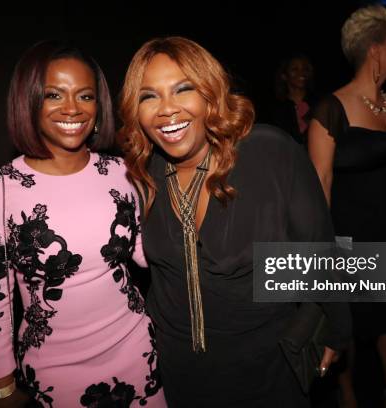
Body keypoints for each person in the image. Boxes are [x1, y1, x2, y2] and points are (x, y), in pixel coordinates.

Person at [118, 36, 351, 408]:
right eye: (149, 96)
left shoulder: (267, 151)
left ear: (210, 92)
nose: (166, 109)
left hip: (268, 368)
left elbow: (320, 248)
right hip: (181, 373)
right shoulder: (143, 174)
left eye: (183, 89)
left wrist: (335, 331)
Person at [0, 40, 165, 407]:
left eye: (85, 96)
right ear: (29, 100)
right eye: (54, 94)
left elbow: (146, 255)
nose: (72, 108)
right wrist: (0, 386)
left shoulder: (122, 172)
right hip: (54, 371)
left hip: (138, 351)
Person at [308, 5, 386, 408]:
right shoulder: (331, 109)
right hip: (348, 236)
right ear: (376, 49)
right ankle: (347, 398)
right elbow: (320, 182)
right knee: (351, 325)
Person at [272, 54, 318, 145]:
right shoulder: (276, 108)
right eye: (295, 69)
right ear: (284, 76)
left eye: (305, 69)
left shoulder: (319, 103)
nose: (301, 73)